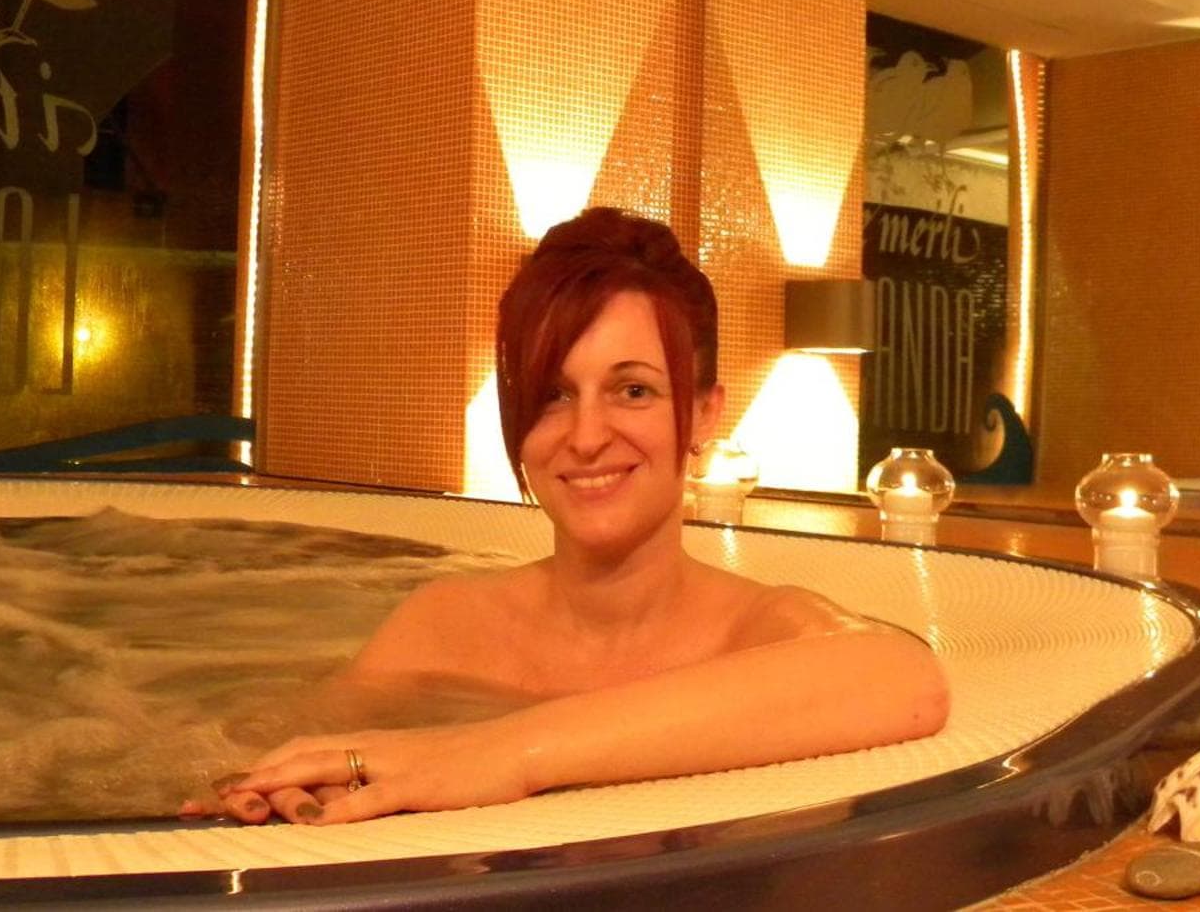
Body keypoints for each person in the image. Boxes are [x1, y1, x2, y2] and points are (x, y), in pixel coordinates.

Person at [184, 207, 947, 826]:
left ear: (704, 413)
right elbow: (297, 752)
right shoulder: (444, 624)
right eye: (553, 393)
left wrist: (503, 751)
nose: (585, 437)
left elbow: (905, 679)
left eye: (633, 390)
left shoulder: (758, 631)